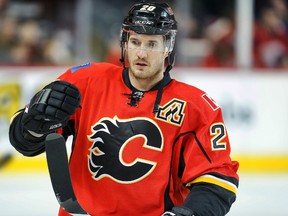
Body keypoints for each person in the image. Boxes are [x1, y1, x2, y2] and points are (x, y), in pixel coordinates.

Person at [9, 1, 239, 216]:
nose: (141, 53)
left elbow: (218, 179)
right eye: (135, 42)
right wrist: (35, 124)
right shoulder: (85, 81)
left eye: (152, 44)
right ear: (124, 43)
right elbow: (25, 142)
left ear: (167, 46)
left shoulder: (196, 106)